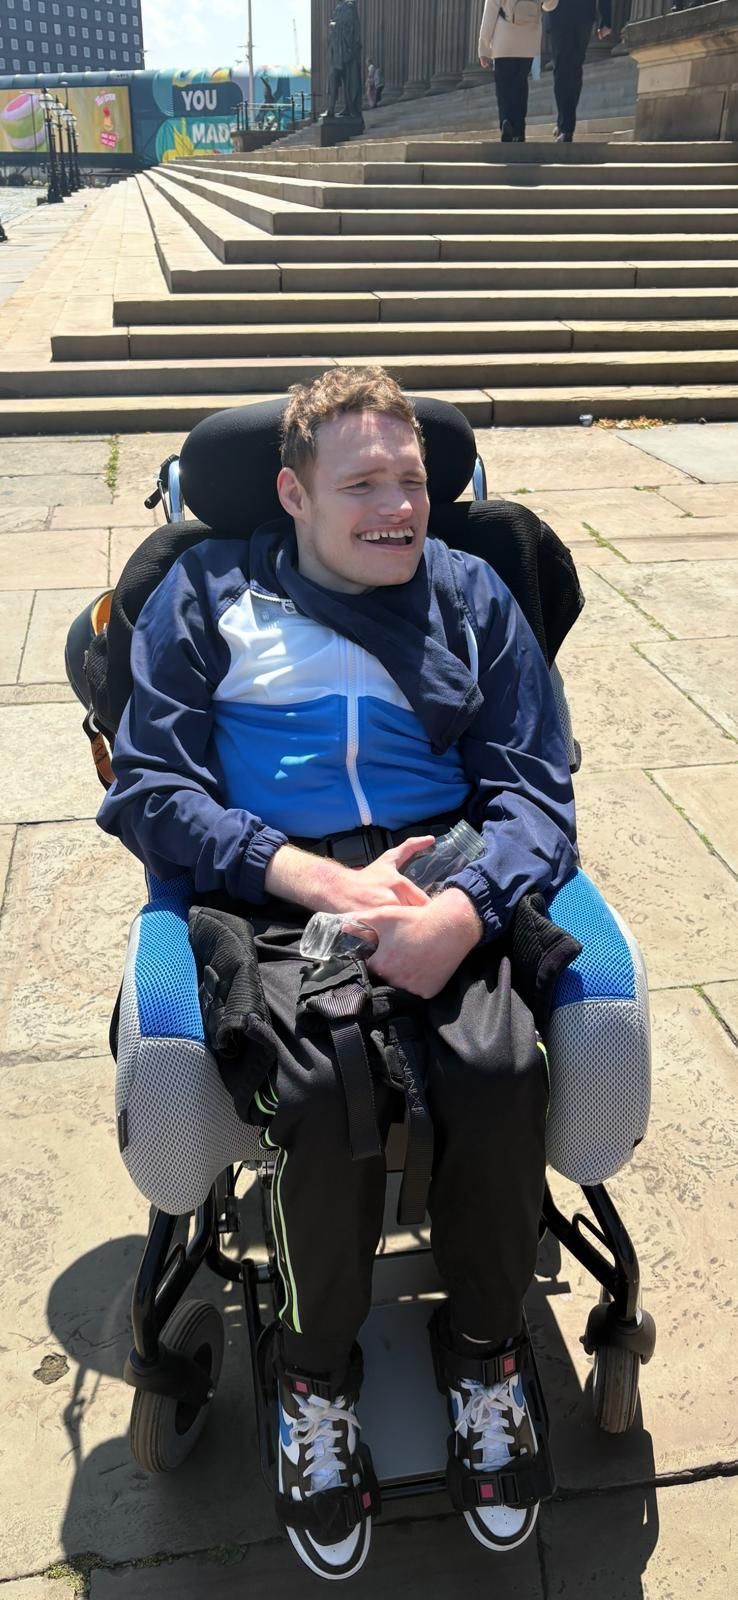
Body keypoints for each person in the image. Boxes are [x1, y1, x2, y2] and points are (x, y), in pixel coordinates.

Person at [98, 368, 578, 1582]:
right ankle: (315, 1384)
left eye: (412, 481)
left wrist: (463, 915)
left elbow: (535, 787)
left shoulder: (474, 593)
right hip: (275, 881)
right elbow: (151, 789)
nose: (397, 507)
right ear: (291, 495)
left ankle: (485, 1358)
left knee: (497, 1065)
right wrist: (309, 878)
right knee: (319, 1098)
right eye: (361, 482)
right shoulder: (204, 593)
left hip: (441, 866)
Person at [546, 0, 612, 143]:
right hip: (569, 14)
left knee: (567, 70)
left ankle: (566, 126)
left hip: (574, 15)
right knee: (568, 70)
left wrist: (605, 18)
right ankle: (564, 123)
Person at [479, 0, 544, 144]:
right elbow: (550, 5)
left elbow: (490, 12)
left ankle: (506, 120)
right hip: (529, 38)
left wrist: (484, 48)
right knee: (520, 84)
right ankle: (519, 130)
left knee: (504, 85)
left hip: (505, 39)